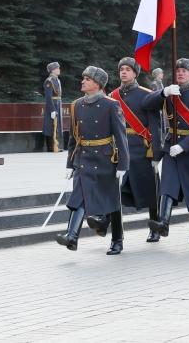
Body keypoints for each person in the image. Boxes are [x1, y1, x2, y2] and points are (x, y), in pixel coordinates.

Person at [55, 66, 129, 254]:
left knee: (111, 201)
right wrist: (70, 164)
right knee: (79, 196)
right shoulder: (77, 104)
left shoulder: (111, 105)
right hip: (83, 157)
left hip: (105, 157)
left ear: (97, 84)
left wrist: (123, 164)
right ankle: (71, 236)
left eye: (87, 79)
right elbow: (74, 136)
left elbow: (121, 137)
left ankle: (117, 240)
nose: (82, 82)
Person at [143, 58, 189, 244]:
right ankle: (163, 222)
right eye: (178, 70)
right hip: (171, 146)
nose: (180, 73)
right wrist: (163, 93)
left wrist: (183, 146)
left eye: (185, 71)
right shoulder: (169, 92)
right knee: (167, 186)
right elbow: (146, 103)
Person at [110, 57, 162, 242]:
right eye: (121, 69)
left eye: (128, 69)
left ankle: (155, 226)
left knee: (151, 191)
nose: (123, 72)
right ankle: (116, 235)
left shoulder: (147, 94)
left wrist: (157, 154)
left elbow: (155, 127)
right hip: (119, 150)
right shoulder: (113, 96)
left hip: (142, 149)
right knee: (114, 193)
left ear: (135, 73)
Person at [42, 62, 63, 152]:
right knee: (51, 125)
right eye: (57, 68)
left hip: (57, 103)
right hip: (53, 105)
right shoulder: (49, 81)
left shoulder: (57, 80)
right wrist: (52, 110)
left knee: (57, 125)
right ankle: (51, 146)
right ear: (53, 70)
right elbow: (48, 97)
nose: (59, 70)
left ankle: (57, 146)